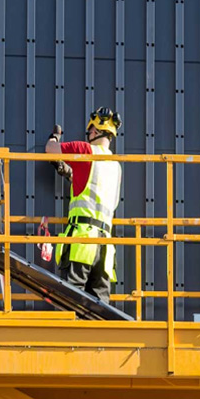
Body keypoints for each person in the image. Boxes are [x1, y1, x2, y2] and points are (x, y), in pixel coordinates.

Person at [45, 107, 123, 302]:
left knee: (72, 303)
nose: (88, 135)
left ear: (95, 131)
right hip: (104, 249)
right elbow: (93, 188)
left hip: (81, 242)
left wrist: (54, 137)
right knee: (100, 309)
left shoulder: (86, 150)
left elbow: (50, 150)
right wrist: (69, 173)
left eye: (90, 131)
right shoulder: (116, 166)